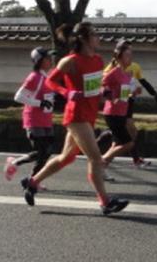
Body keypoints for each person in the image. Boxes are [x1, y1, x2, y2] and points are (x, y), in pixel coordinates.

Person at [20, 22, 129, 215]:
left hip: (90, 113)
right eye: (94, 34)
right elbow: (51, 81)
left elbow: (93, 88)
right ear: (84, 39)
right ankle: (105, 202)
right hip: (75, 115)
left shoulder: (97, 60)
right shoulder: (70, 61)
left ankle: (32, 182)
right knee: (95, 158)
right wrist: (67, 92)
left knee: (66, 158)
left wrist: (104, 92)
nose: (98, 38)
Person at [104, 39, 157, 168]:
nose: (130, 55)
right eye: (127, 52)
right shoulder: (112, 70)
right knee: (130, 135)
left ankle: (104, 162)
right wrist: (110, 97)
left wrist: (153, 94)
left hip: (127, 103)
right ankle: (106, 160)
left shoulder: (132, 69)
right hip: (115, 109)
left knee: (125, 137)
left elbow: (142, 82)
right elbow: (103, 86)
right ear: (119, 54)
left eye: (131, 51)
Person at [4, 47, 56, 181]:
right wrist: (40, 103)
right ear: (39, 61)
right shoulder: (34, 77)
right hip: (33, 119)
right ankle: (26, 174)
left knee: (47, 152)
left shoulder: (47, 76)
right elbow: (18, 97)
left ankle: (32, 178)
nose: (51, 60)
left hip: (46, 118)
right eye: (47, 58)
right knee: (41, 151)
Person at [102, 42, 142, 167]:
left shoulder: (127, 74)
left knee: (116, 144)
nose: (130, 58)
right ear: (118, 57)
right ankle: (101, 162)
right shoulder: (114, 72)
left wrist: (134, 92)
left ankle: (101, 168)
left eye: (131, 55)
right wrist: (112, 98)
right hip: (113, 113)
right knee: (128, 143)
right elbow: (102, 86)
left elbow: (126, 93)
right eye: (127, 56)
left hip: (122, 112)